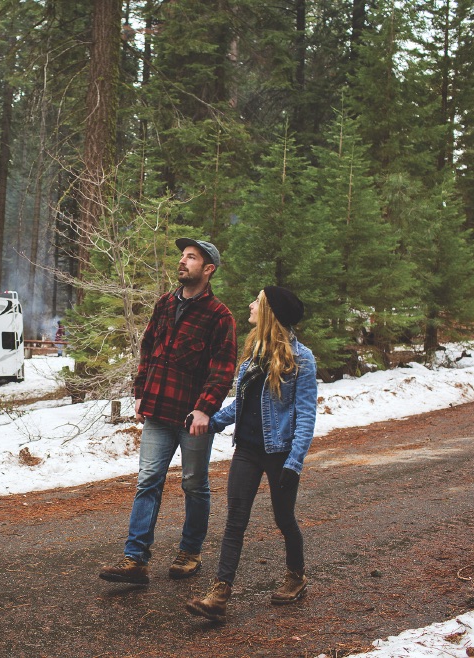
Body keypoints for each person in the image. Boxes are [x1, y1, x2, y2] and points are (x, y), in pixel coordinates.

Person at [99, 238, 237, 585]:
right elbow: (148, 350)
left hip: (193, 419)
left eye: (191, 257)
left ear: (208, 270)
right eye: (182, 255)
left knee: (194, 484)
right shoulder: (164, 304)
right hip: (158, 411)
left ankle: (190, 552)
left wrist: (205, 409)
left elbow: (223, 369)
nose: (182, 261)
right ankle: (135, 560)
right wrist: (140, 393)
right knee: (148, 481)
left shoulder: (220, 316)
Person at [185, 285, 317, 621]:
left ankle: (295, 576)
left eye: (257, 302)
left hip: (279, 453)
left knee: (284, 519)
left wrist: (294, 462)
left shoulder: (301, 359)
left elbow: (305, 416)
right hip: (246, 450)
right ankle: (219, 593)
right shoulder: (254, 355)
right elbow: (240, 407)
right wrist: (209, 421)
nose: (250, 305)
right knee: (235, 522)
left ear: (271, 311)